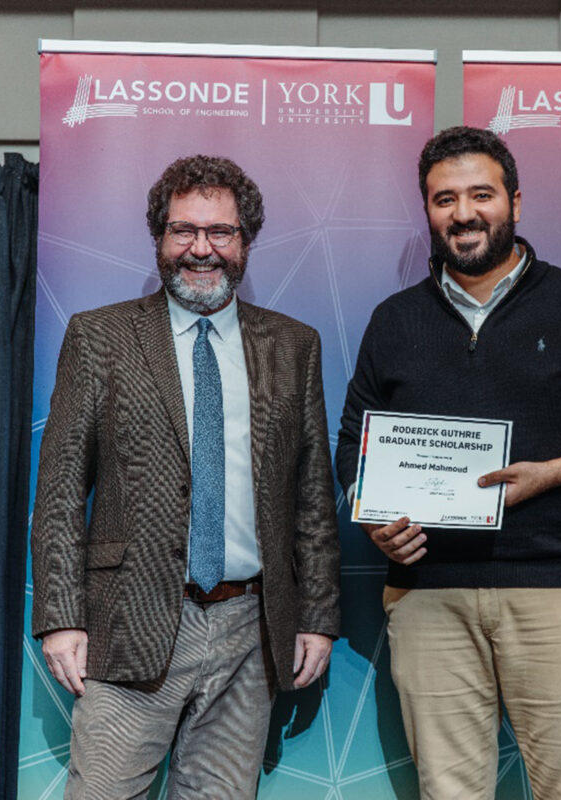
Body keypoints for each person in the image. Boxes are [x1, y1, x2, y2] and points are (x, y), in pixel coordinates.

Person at [335, 126, 561, 799]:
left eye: (481, 194)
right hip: (430, 594)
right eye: (444, 199)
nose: (463, 213)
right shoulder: (394, 320)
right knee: (448, 791)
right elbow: (353, 445)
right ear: (427, 211)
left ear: (515, 201)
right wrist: (372, 515)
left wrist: (557, 470)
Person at [32, 155, 340, 799]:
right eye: (183, 231)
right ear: (159, 239)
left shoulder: (294, 345)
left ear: (245, 243)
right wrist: (60, 617)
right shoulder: (100, 337)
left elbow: (312, 496)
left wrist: (316, 613)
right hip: (131, 620)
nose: (201, 249)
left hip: (250, 629)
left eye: (220, 233)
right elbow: (60, 488)